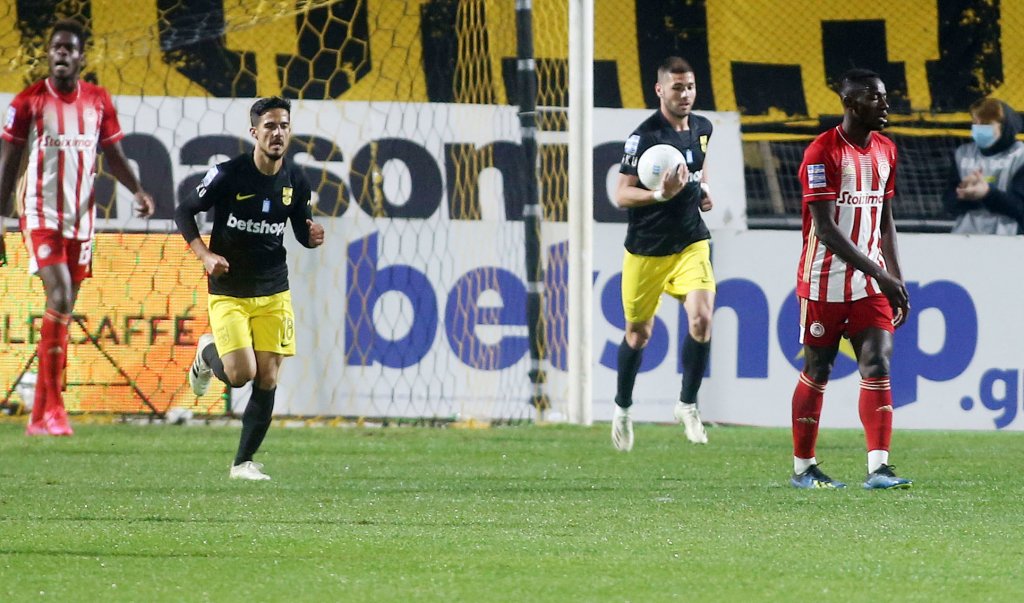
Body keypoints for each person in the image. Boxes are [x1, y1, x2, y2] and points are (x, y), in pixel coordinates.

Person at [0, 19, 155, 436]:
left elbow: (114, 155)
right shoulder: (28, 102)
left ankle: (40, 414)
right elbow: (7, 163)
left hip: (81, 220)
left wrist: (138, 190)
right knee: (60, 295)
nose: (62, 54)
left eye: (69, 49)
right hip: (40, 214)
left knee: (63, 311)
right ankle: (54, 410)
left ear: (81, 57)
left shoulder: (98, 100)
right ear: (49, 54)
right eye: (57, 48)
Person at [174, 96, 324, 481]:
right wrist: (205, 255)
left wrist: (311, 236)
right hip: (230, 290)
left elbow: (301, 231)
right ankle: (207, 353)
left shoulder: (296, 180)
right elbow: (183, 210)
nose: (278, 133)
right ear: (254, 132)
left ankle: (242, 463)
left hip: (274, 289)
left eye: (284, 125)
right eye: (270, 126)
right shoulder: (227, 174)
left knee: (268, 376)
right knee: (241, 374)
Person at [789, 68, 913, 490]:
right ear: (850, 103)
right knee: (818, 368)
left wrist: (894, 278)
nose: (885, 104)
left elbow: (885, 219)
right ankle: (804, 468)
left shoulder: (887, 151)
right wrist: (882, 274)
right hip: (823, 281)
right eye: (875, 97)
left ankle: (879, 468)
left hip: (870, 286)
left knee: (878, 362)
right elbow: (825, 229)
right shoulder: (821, 152)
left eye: (885, 97)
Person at [611, 56, 715, 451]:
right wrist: (659, 194)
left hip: (690, 241)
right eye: (677, 88)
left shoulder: (703, 128)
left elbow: (699, 169)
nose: (685, 94)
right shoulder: (643, 137)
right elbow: (621, 194)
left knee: (701, 320)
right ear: (659, 90)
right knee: (639, 334)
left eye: (690, 87)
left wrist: (703, 192)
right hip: (647, 248)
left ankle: (687, 405)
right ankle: (623, 408)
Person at [942, 97, 1024, 235]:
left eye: (986, 124)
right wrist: (962, 193)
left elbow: (1020, 208)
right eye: (975, 123)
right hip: (966, 234)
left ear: (1004, 126)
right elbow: (948, 203)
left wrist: (987, 194)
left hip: (1009, 237)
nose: (979, 129)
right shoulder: (963, 154)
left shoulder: (1020, 156)